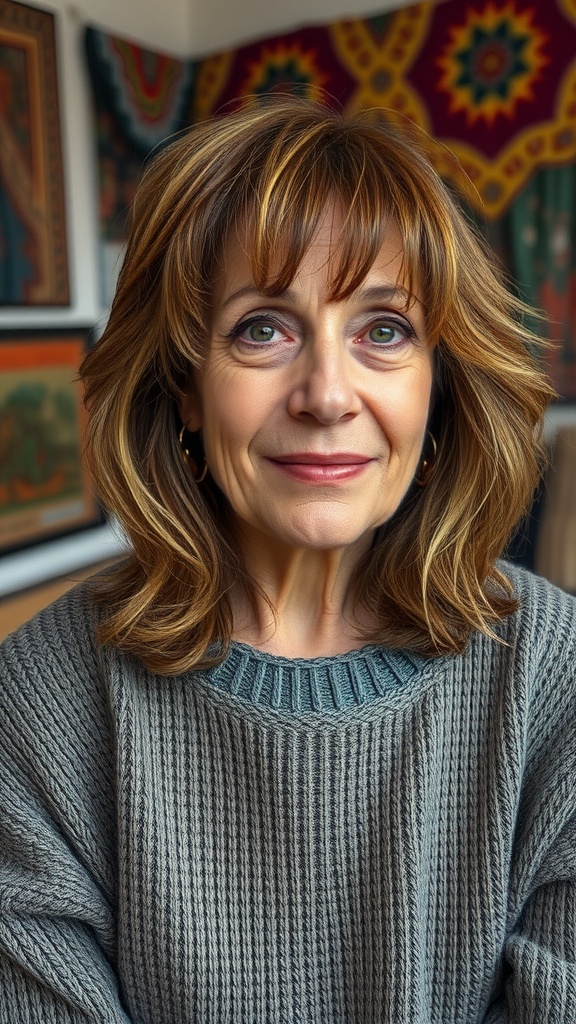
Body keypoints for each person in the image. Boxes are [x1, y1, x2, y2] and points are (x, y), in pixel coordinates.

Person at [0, 98, 574, 1024]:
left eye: (384, 330)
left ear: (440, 380)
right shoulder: (40, 702)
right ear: (184, 388)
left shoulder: (554, 675)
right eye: (263, 328)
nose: (326, 395)